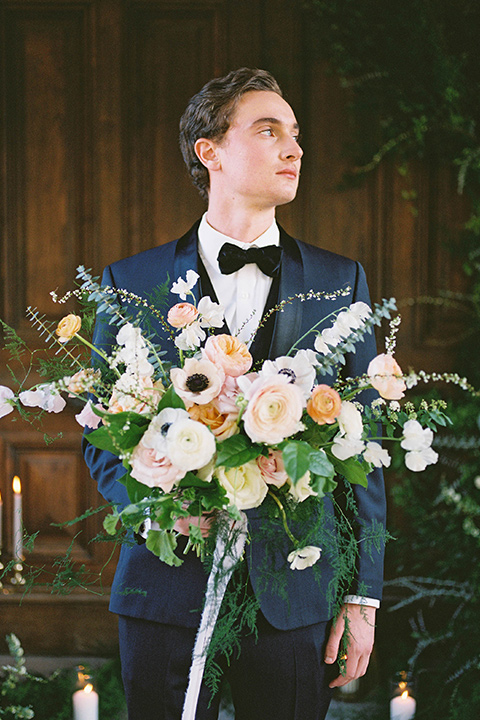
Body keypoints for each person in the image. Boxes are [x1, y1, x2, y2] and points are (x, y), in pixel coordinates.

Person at [83, 68, 386, 720]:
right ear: (210, 151)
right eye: (268, 130)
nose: (294, 149)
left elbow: (366, 447)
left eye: (296, 134)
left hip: (295, 593)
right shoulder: (129, 284)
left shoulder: (342, 282)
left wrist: (363, 598)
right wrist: (157, 505)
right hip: (163, 592)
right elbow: (101, 435)